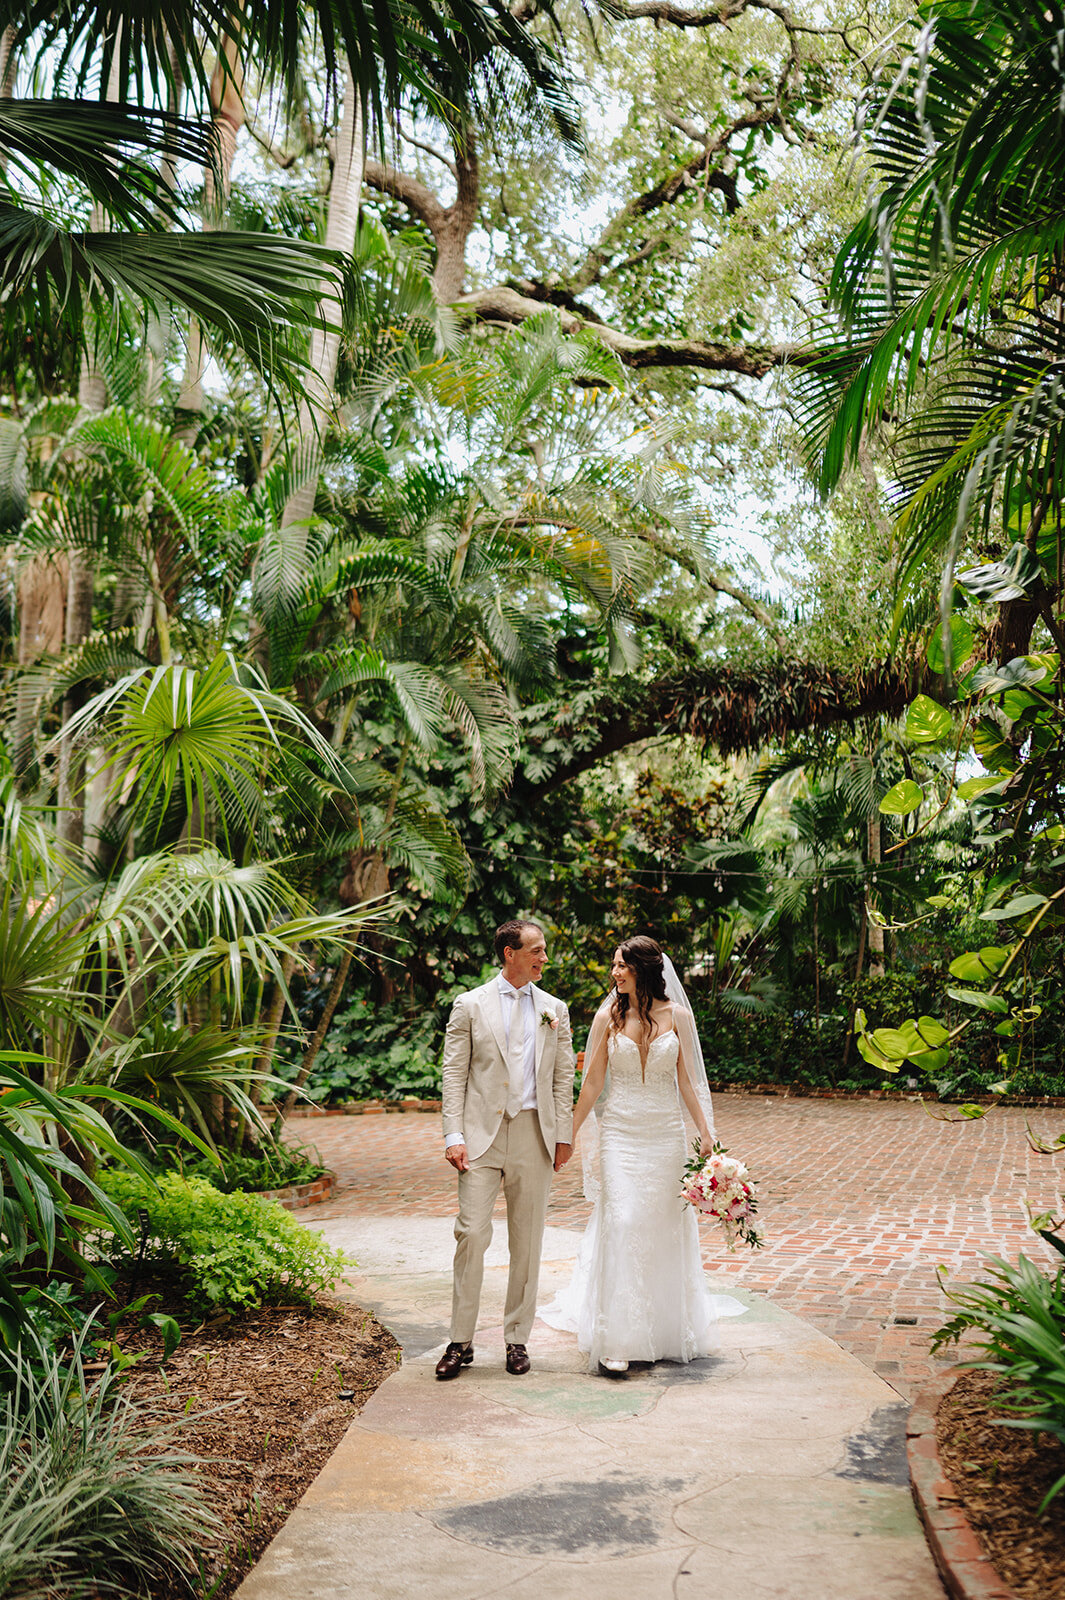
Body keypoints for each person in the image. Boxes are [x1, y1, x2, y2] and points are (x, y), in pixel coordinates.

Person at [540, 935, 745, 1375]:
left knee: (663, 1226)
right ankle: (618, 1337)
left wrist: (707, 1133)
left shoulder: (678, 1017)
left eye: (621, 967)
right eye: (614, 966)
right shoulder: (607, 1018)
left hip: (665, 1135)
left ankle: (666, 1329)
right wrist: (568, 1137)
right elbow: (592, 1084)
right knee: (625, 1221)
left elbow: (688, 1082)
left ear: (644, 969)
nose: (614, 974)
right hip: (621, 1134)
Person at [436, 919, 574, 1380]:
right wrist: (453, 1134)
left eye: (544, 949)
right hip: (479, 1138)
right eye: (536, 950)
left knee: (527, 1241)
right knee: (471, 1233)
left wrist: (563, 1134)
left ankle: (517, 1339)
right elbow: (454, 1072)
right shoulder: (470, 1005)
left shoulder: (555, 1009)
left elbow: (562, 1078)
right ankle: (461, 1341)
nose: (544, 957)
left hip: (534, 1134)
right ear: (509, 953)